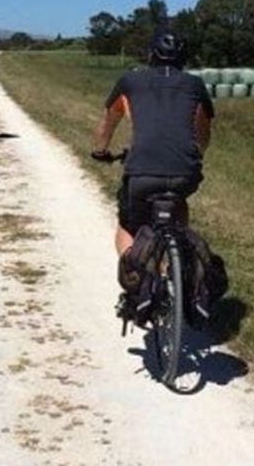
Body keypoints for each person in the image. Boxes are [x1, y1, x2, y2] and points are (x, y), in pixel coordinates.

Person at [90, 31, 213, 319]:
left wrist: (100, 150)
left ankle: (138, 283)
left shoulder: (130, 82)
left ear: (150, 55)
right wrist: (197, 154)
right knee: (178, 207)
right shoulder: (195, 85)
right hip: (185, 170)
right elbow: (203, 132)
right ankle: (174, 269)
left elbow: (107, 124)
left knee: (128, 225)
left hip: (142, 170)